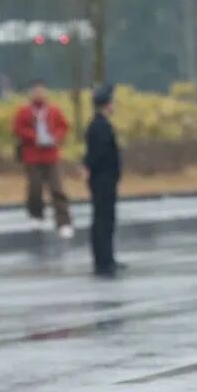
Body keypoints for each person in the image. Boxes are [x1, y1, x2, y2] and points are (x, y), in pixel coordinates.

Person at [12, 79, 73, 238]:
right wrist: (34, 137)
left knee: (57, 188)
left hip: (51, 155)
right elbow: (18, 128)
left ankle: (63, 222)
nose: (39, 94)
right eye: (36, 91)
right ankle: (36, 215)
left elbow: (64, 127)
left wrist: (55, 137)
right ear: (31, 93)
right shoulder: (24, 111)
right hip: (32, 155)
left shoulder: (53, 111)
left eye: (42, 91)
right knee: (35, 188)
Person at [84, 85, 125, 276]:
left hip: (105, 178)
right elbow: (98, 154)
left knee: (107, 220)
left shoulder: (100, 124)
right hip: (102, 179)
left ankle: (108, 257)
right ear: (106, 105)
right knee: (103, 220)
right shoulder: (100, 126)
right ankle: (103, 261)